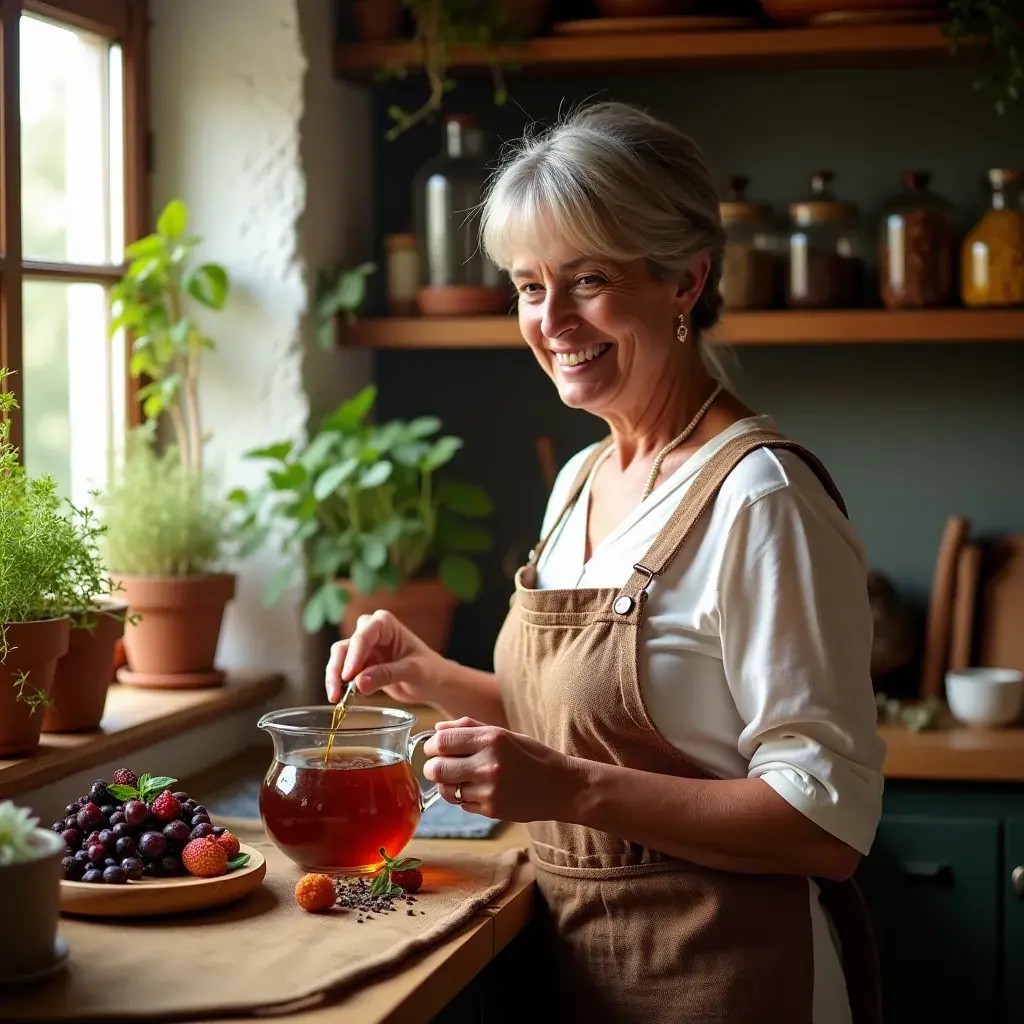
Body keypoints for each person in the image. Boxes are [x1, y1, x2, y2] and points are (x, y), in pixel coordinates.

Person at [326, 101, 886, 1024]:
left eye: (587, 280)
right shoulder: (585, 477)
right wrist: (428, 678)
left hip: (730, 978)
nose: (551, 321)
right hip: (582, 964)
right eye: (528, 285)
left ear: (684, 280)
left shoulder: (761, 499)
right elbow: (582, 722)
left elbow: (826, 824)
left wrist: (570, 789)